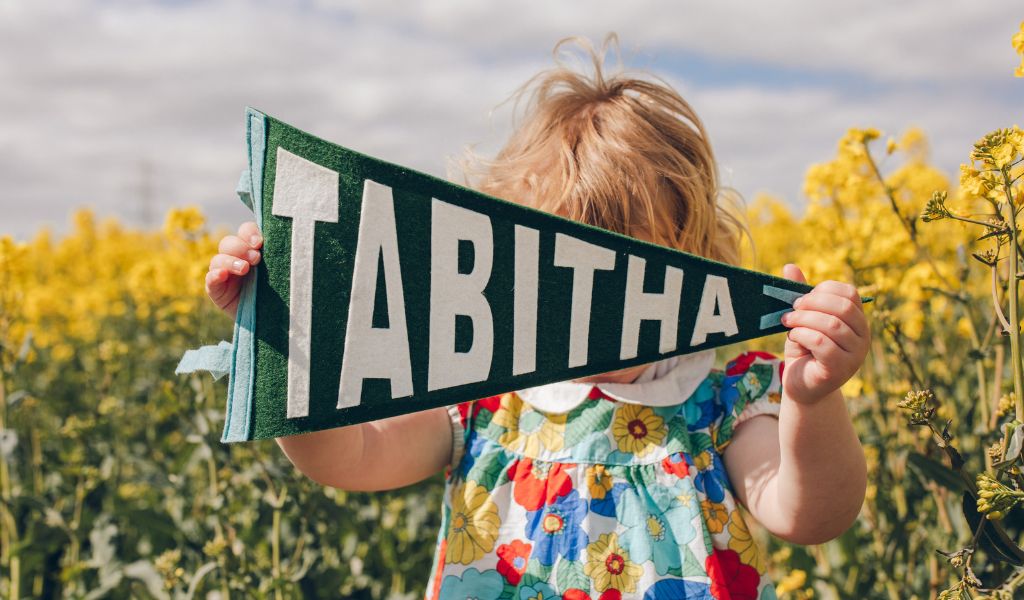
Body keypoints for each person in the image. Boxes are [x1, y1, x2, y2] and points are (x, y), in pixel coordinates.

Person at [205, 35, 868, 599]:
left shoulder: (716, 403)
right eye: (560, 270)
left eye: (625, 266)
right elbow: (350, 456)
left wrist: (814, 401)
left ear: (689, 258)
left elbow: (811, 514)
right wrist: (285, 337)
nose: (592, 302)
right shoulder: (481, 394)